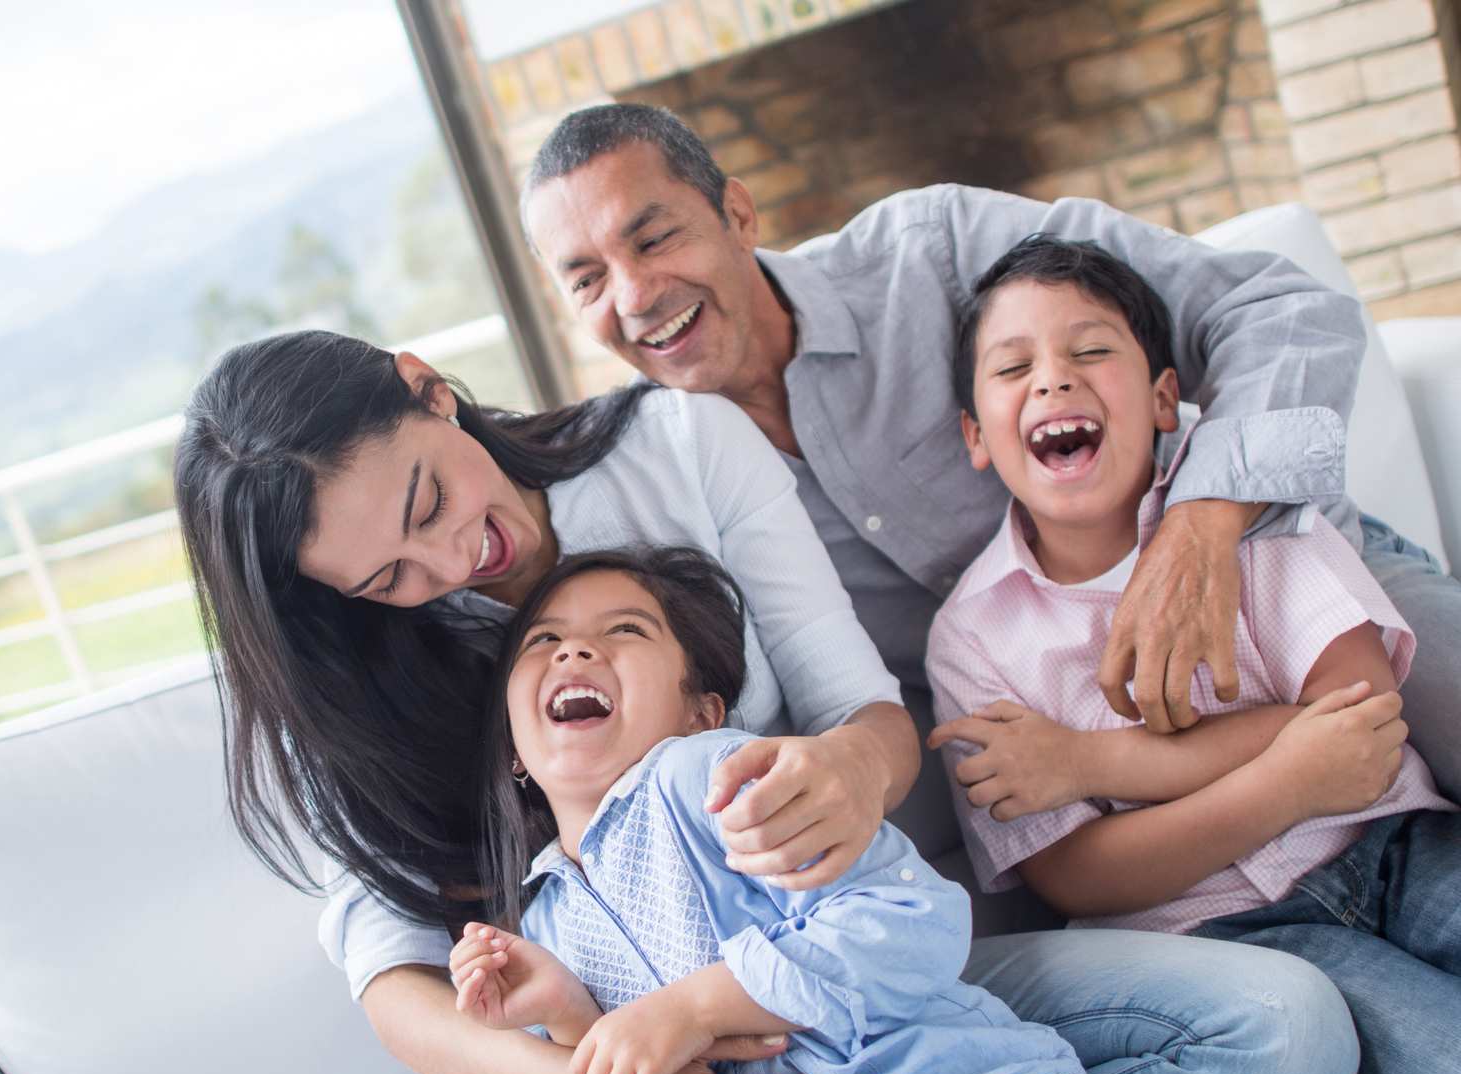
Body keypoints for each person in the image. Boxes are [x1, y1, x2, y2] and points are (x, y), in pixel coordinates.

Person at [174, 330, 1354, 1074]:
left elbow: (873, 744)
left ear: (428, 387)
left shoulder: (682, 476)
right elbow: (396, 984)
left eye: (430, 500)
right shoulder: (420, 755)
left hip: (879, 1014)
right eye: (390, 577)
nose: (450, 558)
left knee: (1285, 1037)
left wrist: (845, 773)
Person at [518, 103, 1461, 821]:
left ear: (737, 213)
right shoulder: (651, 487)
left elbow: (1278, 307)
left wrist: (1201, 527)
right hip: (1045, 758)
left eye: (655, 238)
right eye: (588, 278)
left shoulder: (934, 249)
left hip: (1270, 592)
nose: (635, 295)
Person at [451, 544, 1125, 1074]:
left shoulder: (716, 778)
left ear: (703, 712)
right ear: (513, 747)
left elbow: (916, 918)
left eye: (623, 630)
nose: (574, 653)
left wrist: (696, 1006)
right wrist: (567, 1013)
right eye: (542, 643)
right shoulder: (544, 919)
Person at [927, 234, 1461, 1074]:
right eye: (1015, 368)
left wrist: (1090, 761)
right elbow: (1079, 875)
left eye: (1091, 353)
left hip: (1393, 846)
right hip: (1236, 940)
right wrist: (1292, 767)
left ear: (1167, 399)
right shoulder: (972, 638)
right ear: (976, 434)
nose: (1053, 383)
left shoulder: (1249, 519)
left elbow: (1361, 721)